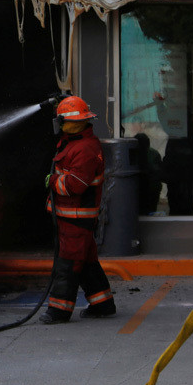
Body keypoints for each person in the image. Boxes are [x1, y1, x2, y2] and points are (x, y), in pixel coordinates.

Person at [40, 96, 116, 324]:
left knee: (68, 263)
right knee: (86, 262)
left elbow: (75, 185)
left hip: (76, 217)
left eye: (62, 121)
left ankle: (59, 311)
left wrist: (53, 181)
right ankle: (103, 304)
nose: (60, 125)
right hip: (71, 216)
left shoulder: (84, 149)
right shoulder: (75, 143)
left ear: (72, 122)